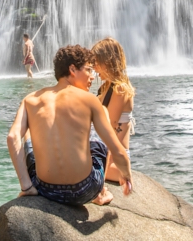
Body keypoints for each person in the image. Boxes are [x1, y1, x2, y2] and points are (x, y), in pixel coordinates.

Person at [7, 45, 133, 206]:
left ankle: (29, 185)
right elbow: (117, 150)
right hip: (86, 189)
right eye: (88, 69)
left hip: (45, 189)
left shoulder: (30, 99)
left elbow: (12, 138)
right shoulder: (90, 100)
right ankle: (101, 192)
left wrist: (27, 186)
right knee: (103, 113)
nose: (92, 76)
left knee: (29, 132)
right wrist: (126, 174)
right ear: (72, 69)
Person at [91, 37, 135, 185]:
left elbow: (110, 129)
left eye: (96, 62)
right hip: (103, 151)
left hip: (115, 159)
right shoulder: (104, 87)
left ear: (107, 61)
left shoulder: (120, 88)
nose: (94, 68)